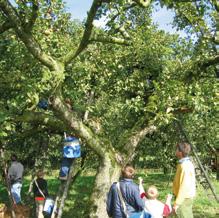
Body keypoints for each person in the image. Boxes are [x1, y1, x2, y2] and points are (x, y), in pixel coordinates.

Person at [172, 142, 196, 218]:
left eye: (176, 149)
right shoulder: (182, 164)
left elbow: (185, 185)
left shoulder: (185, 166)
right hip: (182, 197)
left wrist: (177, 203)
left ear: (180, 152)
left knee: (183, 215)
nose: (175, 151)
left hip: (184, 198)